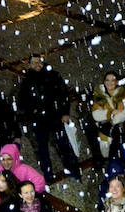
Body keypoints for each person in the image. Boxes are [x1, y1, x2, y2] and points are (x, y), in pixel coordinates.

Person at [17, 54, 80, 184]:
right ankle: (48, 174)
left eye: (39, 62)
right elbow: (22, 103)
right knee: (42, 149)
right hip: (39, 120)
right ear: (29, 65)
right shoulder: (26, 82)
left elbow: (63, 94)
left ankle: (73, 170)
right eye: (34, 63)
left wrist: (65, 112)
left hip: (55, 116)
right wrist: (32, 113)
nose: (37, 65)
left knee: (63, 145)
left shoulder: (53, 76)